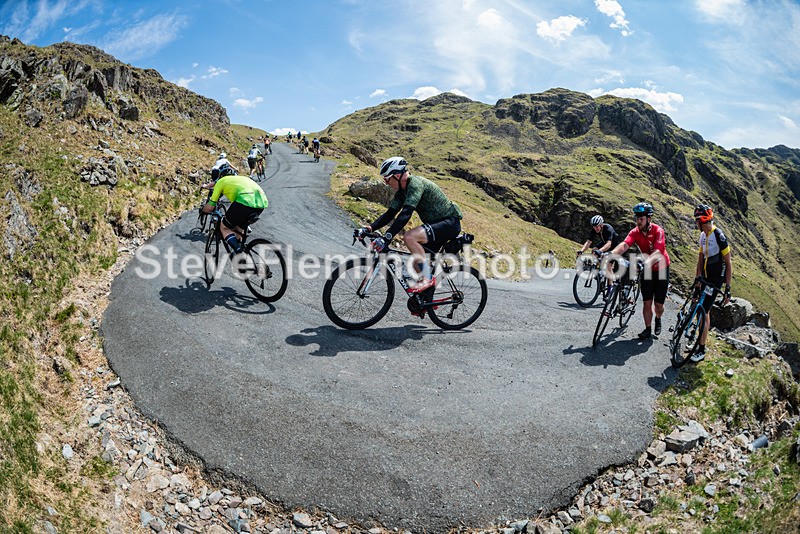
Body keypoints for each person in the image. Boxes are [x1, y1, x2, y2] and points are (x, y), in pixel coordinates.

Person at [357, 156, 463, 293]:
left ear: (397, 175)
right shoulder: (402, 192)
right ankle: (427, 301)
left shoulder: (415, 184)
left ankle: (427, 279)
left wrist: (387, 237)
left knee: (410, 237)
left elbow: (406, 213)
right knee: (416, 264)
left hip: (449, 223)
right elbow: (390, 213)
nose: (386, 182)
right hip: (438, 225)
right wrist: (370, 228)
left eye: (387, 178)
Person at [608, 202, 670, 340]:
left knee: (658, 305)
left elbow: (658, 251)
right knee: (647, 302)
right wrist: (611, 254)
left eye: (641, 219)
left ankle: (658, 318)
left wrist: (646, 263)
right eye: (637, 218)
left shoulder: (658, 231)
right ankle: (647, 329)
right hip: (646, 270)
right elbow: (624, 245)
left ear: (649, 219)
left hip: (661, 269)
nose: (638, 221)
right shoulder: (635, 232)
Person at [691, 203, 733, 362]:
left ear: (702, 220)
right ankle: (697, 341)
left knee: (703, 311)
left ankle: (701, 350)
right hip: (705, 278)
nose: (695, 223)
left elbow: (728, 263)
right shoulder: (702, 236)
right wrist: (697, 279)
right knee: (699, 308)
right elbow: (700, 260)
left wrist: (727, 288)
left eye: (696, 220)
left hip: (715, 281)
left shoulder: (719, 236)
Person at [201, 163, 268, 253]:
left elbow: (210, 207)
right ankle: (242, 257)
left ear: (221, 176)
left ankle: (239, 253)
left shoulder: (221, 181)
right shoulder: (243, 178)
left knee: (224, 228)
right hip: (261, 203)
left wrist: (203, 210)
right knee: (239, 229)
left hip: (244, 202)